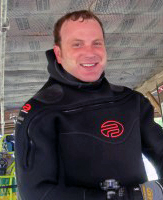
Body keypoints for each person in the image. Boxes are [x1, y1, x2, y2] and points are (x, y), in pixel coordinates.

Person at [15, 10, 163, 200]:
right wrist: (131, 197)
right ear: (58, 54)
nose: (90, 52)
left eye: (97, 43)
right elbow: (35, 193)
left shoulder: (131, 101)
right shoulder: (39, 113)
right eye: (77, 44)